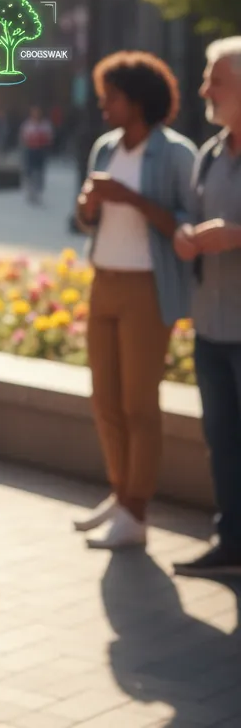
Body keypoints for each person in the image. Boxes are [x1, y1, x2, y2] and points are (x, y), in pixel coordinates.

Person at [73, 51, 195, 549]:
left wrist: (129, 197)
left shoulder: (176, 153)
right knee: (104, 399)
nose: (104, 106)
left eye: (113, 97)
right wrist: (89, 206)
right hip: (105, 279)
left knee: (139, 403)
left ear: (138, 101)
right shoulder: (104, 147)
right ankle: (122, 494)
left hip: (148, 285)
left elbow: (184, 223)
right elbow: (86, 218)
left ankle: (137, 512)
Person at [173, 38, 241, 577]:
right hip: (213, 326)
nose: (204, 90)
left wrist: (235, 236)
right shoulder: (210, 155)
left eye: (214, 80)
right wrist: (185, 234)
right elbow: (190, 216)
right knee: (221, 438)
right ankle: (231, 543)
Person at [19, 104, 54, 204]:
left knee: (39, 171)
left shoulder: (45, 125)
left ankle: (38, 191)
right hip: (31, 150)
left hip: (41, 150)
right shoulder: (28, 124)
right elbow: (23, 137)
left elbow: (49, 137)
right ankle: (30, 191)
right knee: (29, 170)